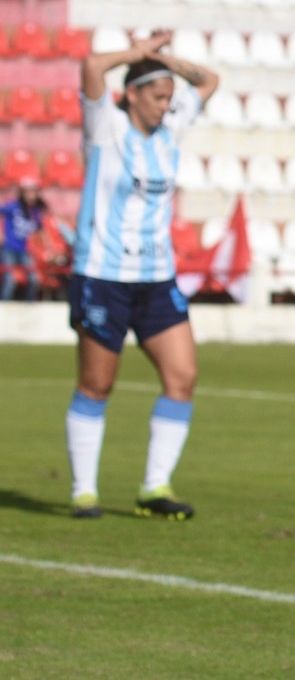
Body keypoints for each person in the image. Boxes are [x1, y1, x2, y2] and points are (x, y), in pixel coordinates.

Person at [67, 30, 220, 520]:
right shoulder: (104, 125)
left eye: (168, 98)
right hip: (102, 275)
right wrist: (137, 56)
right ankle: (83, 490)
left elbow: (211, 80)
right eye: (156, 97)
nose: (164, 107)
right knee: (97, 384)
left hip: (157, 276)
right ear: (131, 93)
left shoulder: (171, 127)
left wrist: (165, 62)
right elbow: (91, 66)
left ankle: (155, 487)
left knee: (183, 376)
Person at [1, 176, 46, 301]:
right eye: (28, 192)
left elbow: (40, 230)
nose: (31, 195)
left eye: (34, 192)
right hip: (8, 249)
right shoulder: (13, 206)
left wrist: (48, 247)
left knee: (34, 279)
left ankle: (28, 306)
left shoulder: (35, 212)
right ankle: (4, 306)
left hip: (24, 250)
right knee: (10, 280)